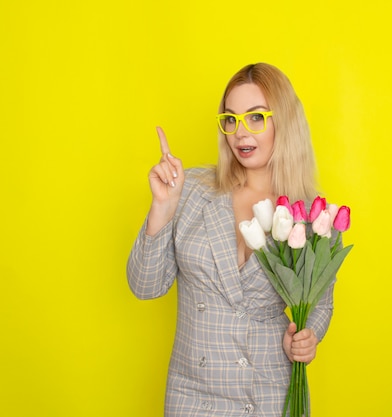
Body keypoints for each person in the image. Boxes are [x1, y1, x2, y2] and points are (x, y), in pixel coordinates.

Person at [127, 63, 335, 416]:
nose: (240, 133)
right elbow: (145, 286)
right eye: (231, 119)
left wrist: (306, 338)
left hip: (269, 393)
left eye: (256, 118)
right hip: (192, 396)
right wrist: (162, 208)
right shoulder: (191, 189)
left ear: (283, 121)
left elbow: (321, 303)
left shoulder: (308, 214)